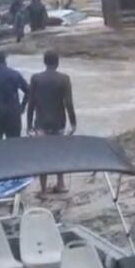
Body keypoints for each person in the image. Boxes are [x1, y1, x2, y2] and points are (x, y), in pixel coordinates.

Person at [27, 51, 77, 194]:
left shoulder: (36, 78)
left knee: (42, 154)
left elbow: (31, 103)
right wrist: (73, 123)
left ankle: (43, 188)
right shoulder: (64, 79)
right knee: (59, 153)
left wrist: (29, 124)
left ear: (44, 62)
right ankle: (60, 184)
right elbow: (68, 103)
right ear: (57, 62)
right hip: (59, 122)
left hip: (41, 122)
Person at [0, 51, 29, 140]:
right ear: (4, 61)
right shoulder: (15, 74)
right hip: (13, 113)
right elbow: (28, 91)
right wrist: (22, 106)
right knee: (13, 143)